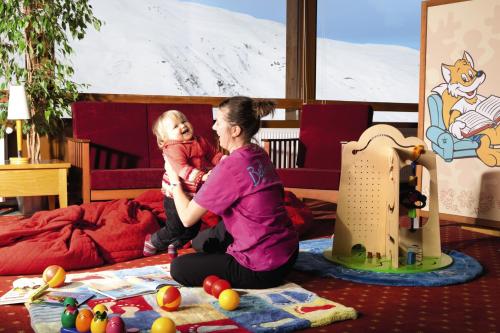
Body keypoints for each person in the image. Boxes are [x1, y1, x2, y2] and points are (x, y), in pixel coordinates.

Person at [165, 96, 299, 289]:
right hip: (289, 253)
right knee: (201, 241)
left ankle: (232, 260)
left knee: (179, 267)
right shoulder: (258, 153)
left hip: (262, 269)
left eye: (218, 122)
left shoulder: (229, 167)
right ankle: (222, 254)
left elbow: (187, 218)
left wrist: (174, 177)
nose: (213, 127)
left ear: (235, 130)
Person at [143, 110, 224, 256]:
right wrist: (204, 176)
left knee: (194, 227)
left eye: (184, 121)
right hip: (175, 195)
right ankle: (153, 241)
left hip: (193, 192)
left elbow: (214, 155)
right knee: (175, 227)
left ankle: (175, 244)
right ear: (165, 138)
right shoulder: (173, 148)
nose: (182, 126)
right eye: (175, 126)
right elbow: (182, 170)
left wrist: (225, 161)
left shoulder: (200, 141)